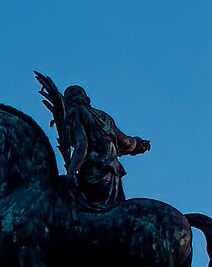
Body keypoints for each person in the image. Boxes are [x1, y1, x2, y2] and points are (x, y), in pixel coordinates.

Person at [36, 73, 150, 212]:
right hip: (112, 178)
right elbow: (125, 142)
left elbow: (82, 145)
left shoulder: (74, 111)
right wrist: (139, 144)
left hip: (92, 176)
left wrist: (71, 173)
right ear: (88, 100)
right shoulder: (105, 118)